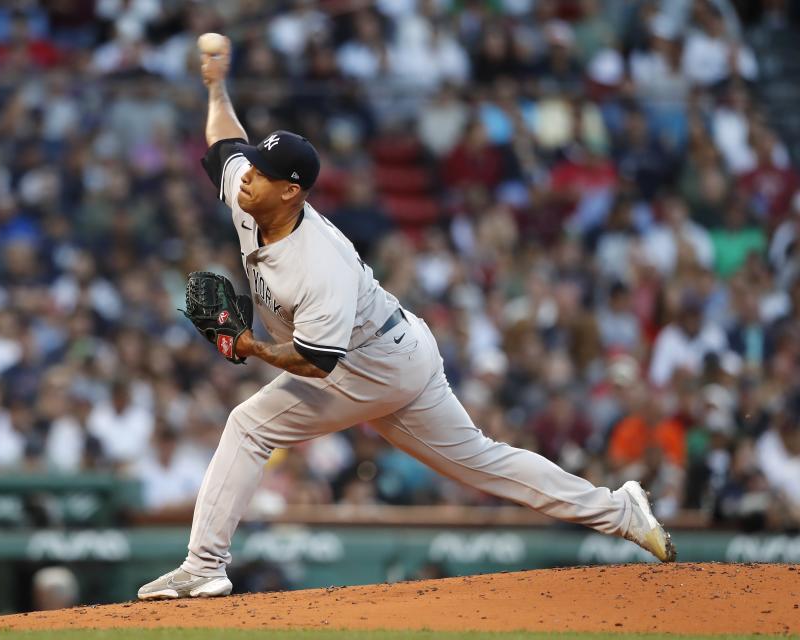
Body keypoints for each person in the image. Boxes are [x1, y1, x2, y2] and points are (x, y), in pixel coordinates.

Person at [136, 34, 676, 601]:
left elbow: (319, 363)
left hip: (367, 362)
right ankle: (621, 512)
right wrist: (217, 85)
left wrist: (248, 347)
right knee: (482, 463)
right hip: (399, 348)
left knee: (249, 425)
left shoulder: (320, 263)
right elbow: (227, 141)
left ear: (292, 191)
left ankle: (203, 566)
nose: (247, 176)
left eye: (263, 172)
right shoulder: (252, 197)